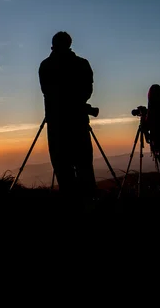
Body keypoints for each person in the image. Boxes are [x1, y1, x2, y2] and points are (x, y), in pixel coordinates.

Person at [39, 31, 97, 203]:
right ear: (70, 43)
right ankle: (90, 203)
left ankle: (70, 204)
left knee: (62, 167)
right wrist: (76, 101)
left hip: (56, 123)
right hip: (78, 120)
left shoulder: (46, 65)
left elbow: (47, 92)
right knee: (84, 164)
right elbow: (88, 91)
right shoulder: (82, 64)